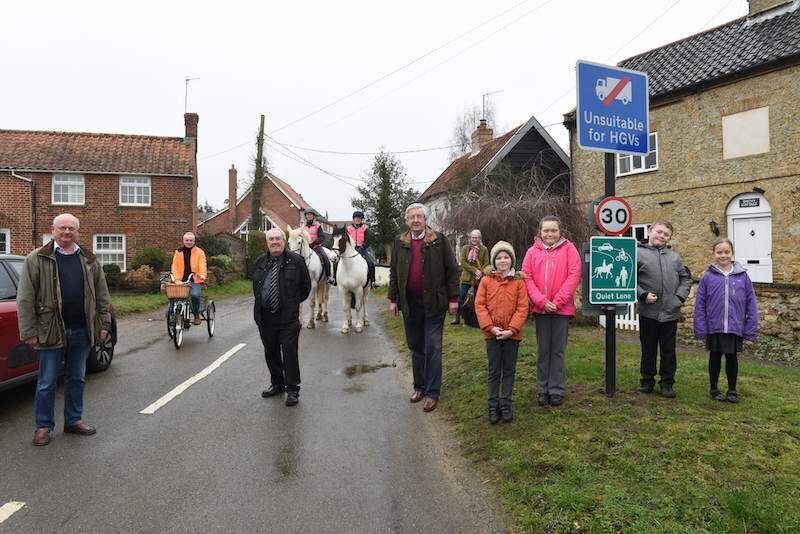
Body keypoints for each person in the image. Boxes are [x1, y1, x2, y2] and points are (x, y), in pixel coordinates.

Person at [16, 213, 111, 446]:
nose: (67, 232)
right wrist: (29, 331)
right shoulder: (36, 258)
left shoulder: (89, 259)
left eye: (71, 228)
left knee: (77, 378)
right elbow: (25, 298)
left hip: (81, 329)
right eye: (62, 228)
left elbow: (102, 295)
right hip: (50, 330)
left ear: (78, 231)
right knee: (47, 382)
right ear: (53, 230)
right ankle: (43, 427)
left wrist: (103, 324)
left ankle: (73, 420)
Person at [388, 203, 459, 413]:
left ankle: (432, 393)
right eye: (412, 217)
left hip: (435, 304)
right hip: (410, 304)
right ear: (407, 221)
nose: (416, 220)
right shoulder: (400, 242)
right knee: (416, 347)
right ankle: (419, 387)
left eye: (419, 216)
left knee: (433, 348)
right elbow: (394, 272)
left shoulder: (439, 240)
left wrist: (453, 298)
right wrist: (393, 299)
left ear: (425, 219)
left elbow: (452, 270)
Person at [521, 216, 581, 407]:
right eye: (546, 231)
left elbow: (574, 275)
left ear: (560, 232)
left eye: (553, 230)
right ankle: (542, 388)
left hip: (561, 309)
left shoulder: (569, 250)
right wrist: (541, 301)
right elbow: (527, 278)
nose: (549, 234)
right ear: (540, 232)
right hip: (541, 309)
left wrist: (558, 301)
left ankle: (556, 389)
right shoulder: (531, 252)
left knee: (557, 351)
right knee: (543, 350)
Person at [694, 238, 758, 403]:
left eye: (727, 252)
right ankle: (714, 389)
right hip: (714, 326)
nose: (723, 255)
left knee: (732, 358)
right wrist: (700, 327)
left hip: (734, 325)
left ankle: (732, 390)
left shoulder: (743, 276)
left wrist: (750, 327)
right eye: (719, 252)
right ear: (714, 254)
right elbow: (700, 304)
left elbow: (751, 303)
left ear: (732, 253)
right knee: (715, 357)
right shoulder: (708, 277)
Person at [253, 228, 311, 406]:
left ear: (284, 241)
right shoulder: (260, 262)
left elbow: (305, 287)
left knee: (289, 353)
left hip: (287, 318)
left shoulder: (296, 261)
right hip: (265, 317)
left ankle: (292, 389)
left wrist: (291, 303)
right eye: (271, 239)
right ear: (267, 242)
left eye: (278, 238)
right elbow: (256, 286)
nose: (275, 242)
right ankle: (277, 384)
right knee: (271, 352)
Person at [636, 220, 693, 398]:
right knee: (648, 349)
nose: (661, 236)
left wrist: (679, 298)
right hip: (648, 312)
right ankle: (647, 381)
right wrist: (642, 294)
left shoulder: (675, 257)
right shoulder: (638, 253)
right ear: (649, 231)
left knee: (668, 350)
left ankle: (667, 383)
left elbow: (686, 279)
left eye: (666, 235)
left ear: (669, 239)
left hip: (670, 312)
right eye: (658, 232)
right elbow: (629, 278)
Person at [475, 241, 529, 424]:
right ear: (494, 261)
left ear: (512, 260)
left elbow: (522, 308)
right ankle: (492, 404)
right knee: (493, 370)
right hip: (492, 334)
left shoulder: (519, 282)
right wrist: (490, 327)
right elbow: (480, 305)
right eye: (499, 257)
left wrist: (512, 329)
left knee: (509, 370)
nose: (502, 260)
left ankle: (505, 403)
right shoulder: (486, 281)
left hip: (512, 336)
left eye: (506, 257)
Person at [453, 229, 489, 325]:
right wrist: (475, 270)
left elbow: (486, 263)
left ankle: (476, 320)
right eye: (473, 237)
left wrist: (480, 272)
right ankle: (457, 318)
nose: (474, 239)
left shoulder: (484, 249)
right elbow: (464, 263)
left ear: (479, 238)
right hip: (466, 278)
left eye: (476, 237)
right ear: (470, 238)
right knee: (461, 297)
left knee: (477, 300)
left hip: (478, 279)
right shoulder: (465, 248)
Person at [170, 232, 207, 325]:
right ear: (183, 241)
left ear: (194, 241)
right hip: (181, 281)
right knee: (172, 296)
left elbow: (202, 265)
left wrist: (202, 275)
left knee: (194, 295)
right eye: (187, 240)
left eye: (191, 240)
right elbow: (174, 267)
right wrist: (176, 280)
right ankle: (172, 316)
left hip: (195, 280)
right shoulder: (178, 252)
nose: (188, 242)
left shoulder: (200, 252)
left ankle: (196, 314)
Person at [343, 210, 376, 287]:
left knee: (370, 263)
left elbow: (367, 241)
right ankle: (335, 278)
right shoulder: (348, 229)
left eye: (359, 218)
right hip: (350, 249)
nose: (358, 220)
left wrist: (362, 247)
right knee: (338, 261)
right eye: (356, 218)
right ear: (353, 219)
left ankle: (373, 281)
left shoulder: (365, 229)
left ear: (362, 220)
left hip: (362, 249)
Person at [303, 209, 333, 284]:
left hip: (316, 247)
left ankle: (328, 277)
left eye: (311, 214)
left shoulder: (318, 226)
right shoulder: (303, 226)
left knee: (325, 258)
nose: (309, 216)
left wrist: (314, 243)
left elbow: (322, 237)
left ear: (313, 216)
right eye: (308, 214)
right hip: (305, 248)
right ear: (306, 216)